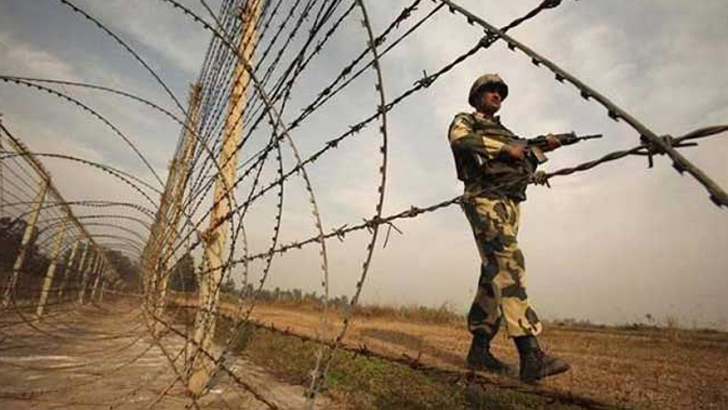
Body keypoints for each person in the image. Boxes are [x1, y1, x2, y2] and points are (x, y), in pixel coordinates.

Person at [447, 73, 570, 383]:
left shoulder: (508, 132)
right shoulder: (466, 120)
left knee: (494, 274)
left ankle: (479, 350)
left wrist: (543, 149)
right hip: (483, 197)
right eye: (489, 90)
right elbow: (459, 140)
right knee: (509, 263)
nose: (496, 95)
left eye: (499, 91)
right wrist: (506, 149)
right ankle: (531, 354)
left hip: (511, 202)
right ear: (476, 97)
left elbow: (522, 159)